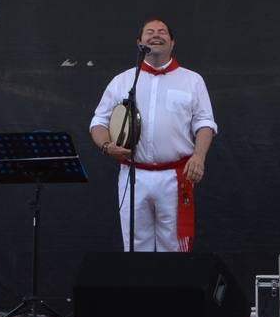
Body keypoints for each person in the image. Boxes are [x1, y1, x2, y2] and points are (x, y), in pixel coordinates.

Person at [90, 19, 216, 252]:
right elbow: (98, 121)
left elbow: (205, 123)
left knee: (175, 248)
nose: (155, 35)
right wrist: (107, 146)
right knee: (136, 246)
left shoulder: (192, 80)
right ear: (139, 42)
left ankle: (175, 290)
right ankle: (139, 290)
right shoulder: (123, 81)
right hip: (134, 174)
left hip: (175, 176)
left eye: (162, 32)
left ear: (172, 42)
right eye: (149, 32)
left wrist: (199, 157)